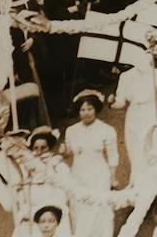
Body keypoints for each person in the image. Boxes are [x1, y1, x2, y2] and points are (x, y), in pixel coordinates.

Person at [63, 90, 119, 237]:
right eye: (82, 110)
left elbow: (113, 156)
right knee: (79, 208)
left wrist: (113, 177)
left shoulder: (106, 130)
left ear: (96, 109)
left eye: (90, 109)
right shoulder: (71, 131)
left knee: (100, 208)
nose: (86, 113)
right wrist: (64, 152)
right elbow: (69, 153)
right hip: (78, 174)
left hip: (99, 174)